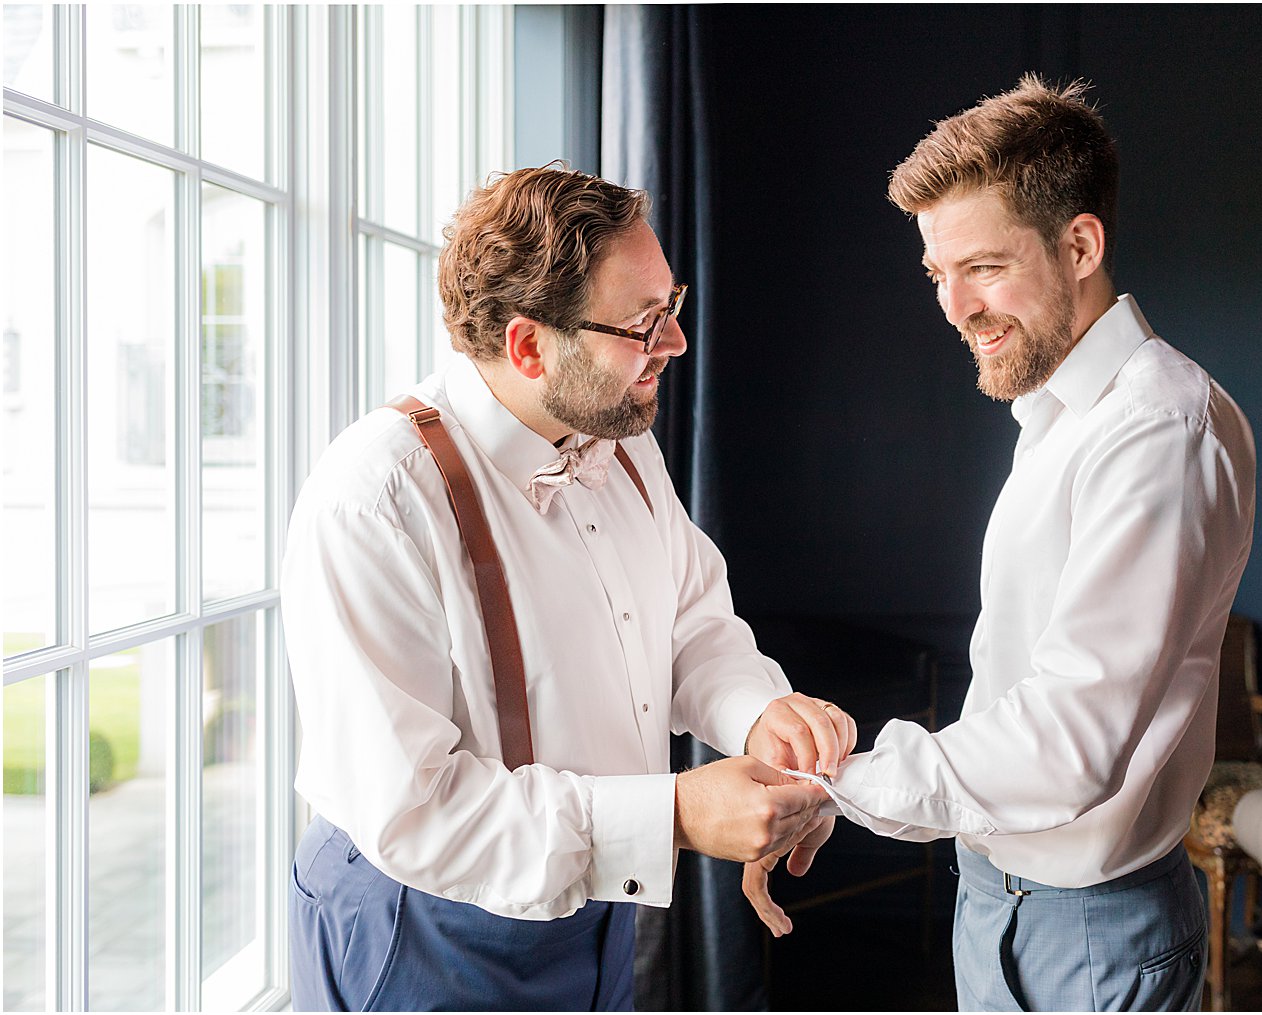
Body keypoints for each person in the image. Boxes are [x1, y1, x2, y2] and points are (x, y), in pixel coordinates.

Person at [282, 165, 855, 1011]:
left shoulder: (621, 438)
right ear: (528, 345)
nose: (676, 344)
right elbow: (417, 812)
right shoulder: (374, 499)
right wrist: (676, 816)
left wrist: (758, 714)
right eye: (642, 324)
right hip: (416, 927)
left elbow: (692, 621)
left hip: (592, 904)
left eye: (672, 305)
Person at [744, 76, 1256, 1012]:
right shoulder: (1058, 414)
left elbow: (1071, 738)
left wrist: (836, 783)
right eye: (937, 274)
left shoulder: (1156, 430)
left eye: (981, 267)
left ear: (1081, 244)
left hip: (1090, 934)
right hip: (1000, 903)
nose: (953, 306)